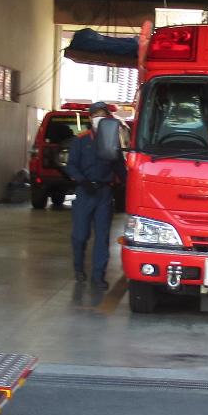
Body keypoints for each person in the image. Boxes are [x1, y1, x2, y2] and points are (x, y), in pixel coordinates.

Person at [64, 101, 122, 289]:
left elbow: (120, 167)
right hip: (85, 192)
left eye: (103, 115)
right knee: (80, 236)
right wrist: (82, 181)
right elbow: (71, 165)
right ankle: (78, 267)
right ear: (90, 118)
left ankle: (98, 276)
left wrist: (131, 185)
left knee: (102, 237)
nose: (100, 119)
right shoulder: (81, 140)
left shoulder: (112, 141)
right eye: (96, 115)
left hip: (104, 193)